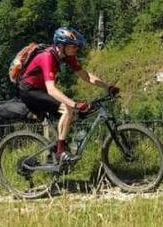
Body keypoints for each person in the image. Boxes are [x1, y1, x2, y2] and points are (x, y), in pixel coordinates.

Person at [18, 27, 118, 163]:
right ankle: (60, 153)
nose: (76, 49)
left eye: (77, 46)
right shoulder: (47, 57)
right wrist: (74, 104)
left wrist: (108, 86)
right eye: (73, 46)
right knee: (67, 109)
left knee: (71, 117)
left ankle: (54, 156)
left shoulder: (66, 57)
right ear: (61, 45)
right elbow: (52, 89)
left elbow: (86, 76)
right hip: (29, 91)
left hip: (42, 90)